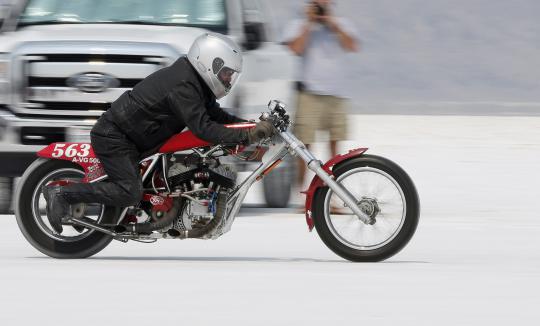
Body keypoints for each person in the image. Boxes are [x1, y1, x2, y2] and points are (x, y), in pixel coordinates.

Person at [43, 33, 275, 234]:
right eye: (225, 73)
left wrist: (251, 127)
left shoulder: (196, 85)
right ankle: (63, 193)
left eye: (229, 75)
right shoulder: (184, 84)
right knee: (129, 192)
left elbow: (218, 117)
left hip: (136, 141)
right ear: (208, 63)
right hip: (116, 137)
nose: (227, 79)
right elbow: (203, 129)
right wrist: (247, 136)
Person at [283, 0, 359, 193]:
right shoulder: (299, 25)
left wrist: (332, 23)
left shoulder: (342, 24)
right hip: (309, 94)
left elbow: (352, 46)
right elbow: (295, 49)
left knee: (335, 149)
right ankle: (303, 195)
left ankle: (333, 196)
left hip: (337, 95)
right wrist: (309, 23)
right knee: (304, 148)